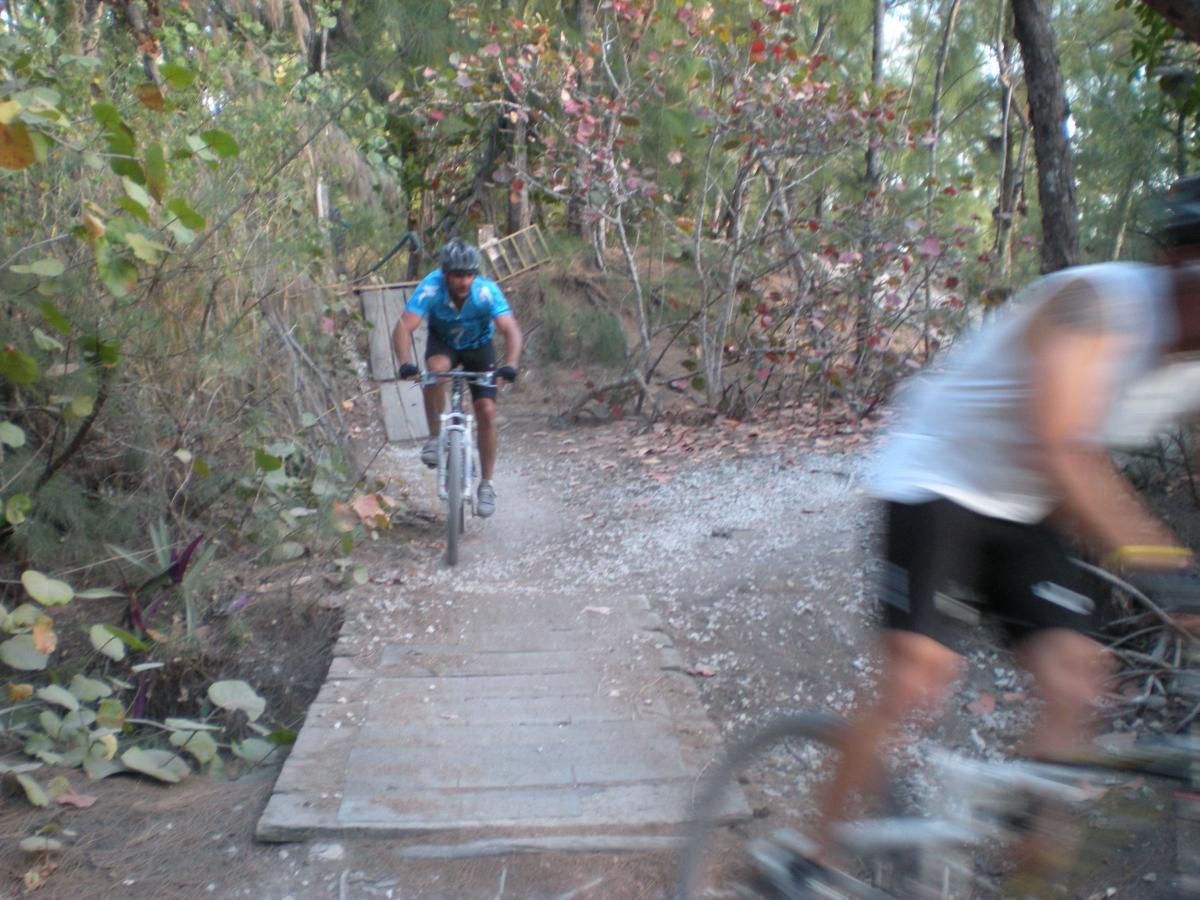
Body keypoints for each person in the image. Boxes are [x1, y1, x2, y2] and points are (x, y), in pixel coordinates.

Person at [799, 177, 1200, 888]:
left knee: (1076, 679)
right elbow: (1059, 445)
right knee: (918, 677)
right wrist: (1161, 565)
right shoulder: (1097, 305)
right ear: (1176, 265)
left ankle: (1022, 873)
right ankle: (808, 859)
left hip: (1027, 505)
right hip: (938, 475)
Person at [393, 238, 523, 518]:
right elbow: (403, 327)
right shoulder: (431, 288)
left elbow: (510, 330)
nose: (464, 281)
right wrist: (405, 363)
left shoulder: (487, 292)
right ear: (444, 273)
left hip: (479, 347)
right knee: (433, 374)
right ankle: (434, 437)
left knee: (486, 410)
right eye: (457, 275)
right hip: (444, 344)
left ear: (475, 274)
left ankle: (486, 484)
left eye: (469, 275)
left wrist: (510, 366)